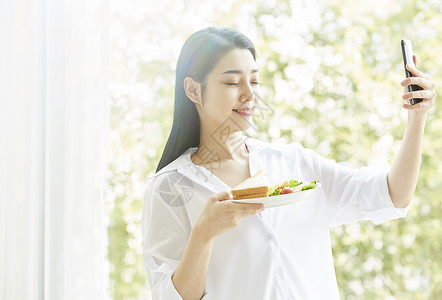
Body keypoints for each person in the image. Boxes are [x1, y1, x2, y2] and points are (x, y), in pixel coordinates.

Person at [141, 27, 436, 299]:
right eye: (232, 82)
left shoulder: (295, 163)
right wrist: (203, 233)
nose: (249, 94)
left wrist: (416, 117)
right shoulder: (171, 188)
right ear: (193, 90)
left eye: (254, 80)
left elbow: (393, 194)